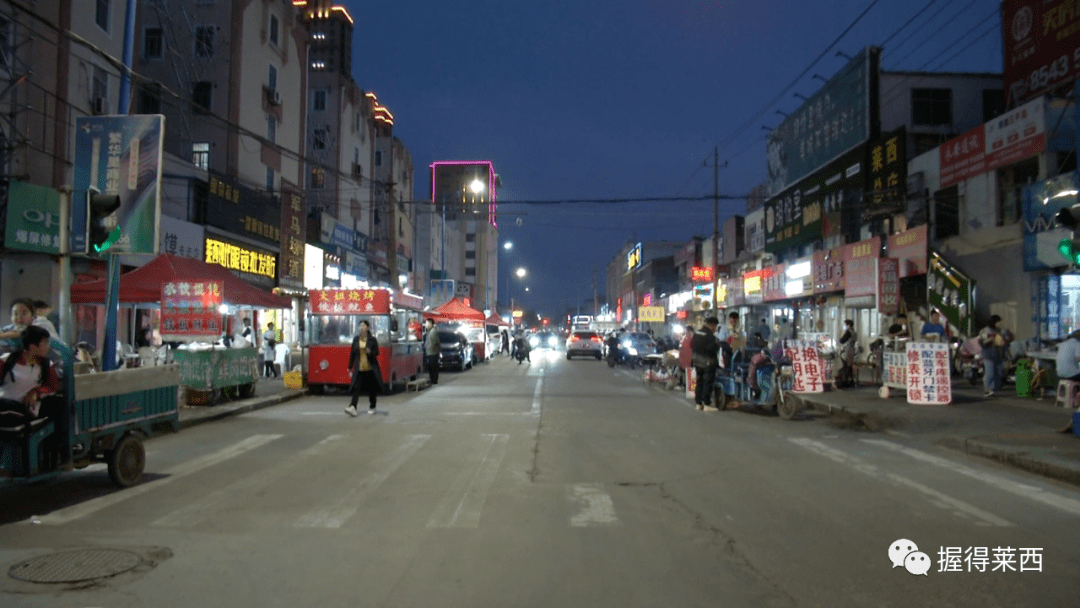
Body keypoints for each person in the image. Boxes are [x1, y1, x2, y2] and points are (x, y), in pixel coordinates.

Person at [0, 326, 60, 427]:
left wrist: (36, 392)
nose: (48, 346)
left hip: (24, 411)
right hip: (4, 403)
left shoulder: (47, 365)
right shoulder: (6, 360)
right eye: (45, 343)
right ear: (32, 346)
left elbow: (52, 387)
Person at [345, 320, 383, 416]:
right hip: (359, 368)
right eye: (360, 326)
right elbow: (352, 354)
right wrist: (349, 367)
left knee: (371, 389)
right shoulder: (356, 339)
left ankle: (372, 406)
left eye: (364, 325)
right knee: (356, 387)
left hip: (370, 368)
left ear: (367, 327)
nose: (362, 327)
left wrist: (370, 352)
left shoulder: (372, 340)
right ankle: (353, 406)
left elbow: (377, 352)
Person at [691, 316, 720, 412]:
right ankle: (707, 404)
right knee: (707, 383)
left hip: (696, 361)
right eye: (715, 326)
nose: (715, 328)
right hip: (707, 362)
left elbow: (692, 345)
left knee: (699, 382)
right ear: (712, 325)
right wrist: (717, 347)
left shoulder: (697, 332)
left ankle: (698, 404)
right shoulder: (710, 335)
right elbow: (711, 348)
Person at [978, 314, 1008, 398]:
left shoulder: (999, 331)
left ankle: (994, 388)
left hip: (998, 354)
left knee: (998, 372)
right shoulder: (986, 330)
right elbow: (982, 342)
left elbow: (1003, 341)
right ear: (994, 322)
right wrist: (990, 340)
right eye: (998, 322)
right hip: (989, 355)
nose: (999, 324)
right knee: (990, 373)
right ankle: (988, 389)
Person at [836, 319, 858, 388]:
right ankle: (851, 380)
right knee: (849, 365)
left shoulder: (848, 332)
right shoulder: (854, 332)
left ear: (848, 325)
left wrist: (839, 339)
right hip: (852, 349)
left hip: (847, 350)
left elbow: (842, 340)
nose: (845, 326)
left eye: (845, 325)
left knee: (844, 365)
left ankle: (844, 381)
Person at [424, 318, 441, 385]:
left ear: (431, 324)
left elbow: (435, 342)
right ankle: (433, 380)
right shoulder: (430, 331)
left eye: (427, 323)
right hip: (431, 352)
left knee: (433, 367)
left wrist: (434, 349)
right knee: (431, 367)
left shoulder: (433, 331)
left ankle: (434, 380)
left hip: (433, 353)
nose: (426, 325)